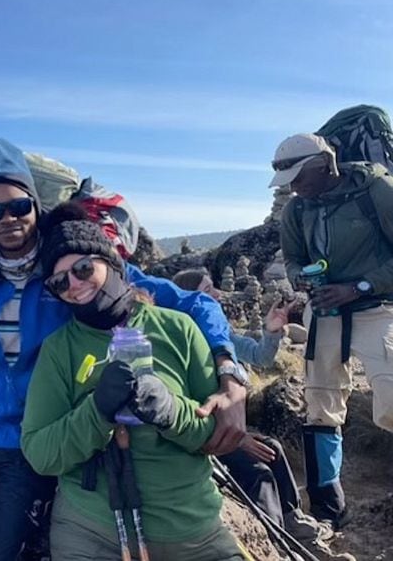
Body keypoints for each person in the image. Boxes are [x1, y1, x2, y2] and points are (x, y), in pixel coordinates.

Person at [0, 138, 249, 561]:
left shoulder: (72, 265)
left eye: (19, 206)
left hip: (30, 446)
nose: (7, 219)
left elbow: (195, 304)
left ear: (36, 207)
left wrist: (230, 373)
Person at [21, 205, 243, 561]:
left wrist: (171, 409)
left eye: (82, 269)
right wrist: (95, 412)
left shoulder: (177, 329)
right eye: (60, 282)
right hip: (92, 531)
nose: (74, 285)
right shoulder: (59, 349)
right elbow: (40, 452)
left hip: (191, 530)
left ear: (109, 262)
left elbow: (217, 433)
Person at [173, 268, 350, 559]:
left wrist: (271, 330)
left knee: (274, 449)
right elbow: (190, 409)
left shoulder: (221, 334)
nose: (217, 294)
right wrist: (240, 441)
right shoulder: (183, 343)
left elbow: (261, 357)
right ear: (189, 302)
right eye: (207, 291)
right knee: (259, 473)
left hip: (232, 430)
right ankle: (274, 542)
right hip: (204, 437)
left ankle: (292, 520)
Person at [270, 132, 393, 529]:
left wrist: (358, 286)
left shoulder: (376, 192)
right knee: (320, 403)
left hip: (377, 310)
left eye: (298, 176)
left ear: (324, 165)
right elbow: (292, 259)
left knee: (391, 396)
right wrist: (299, 280)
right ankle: (328, 504)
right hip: (324, 315)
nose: (292, 187)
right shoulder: (296, 210)